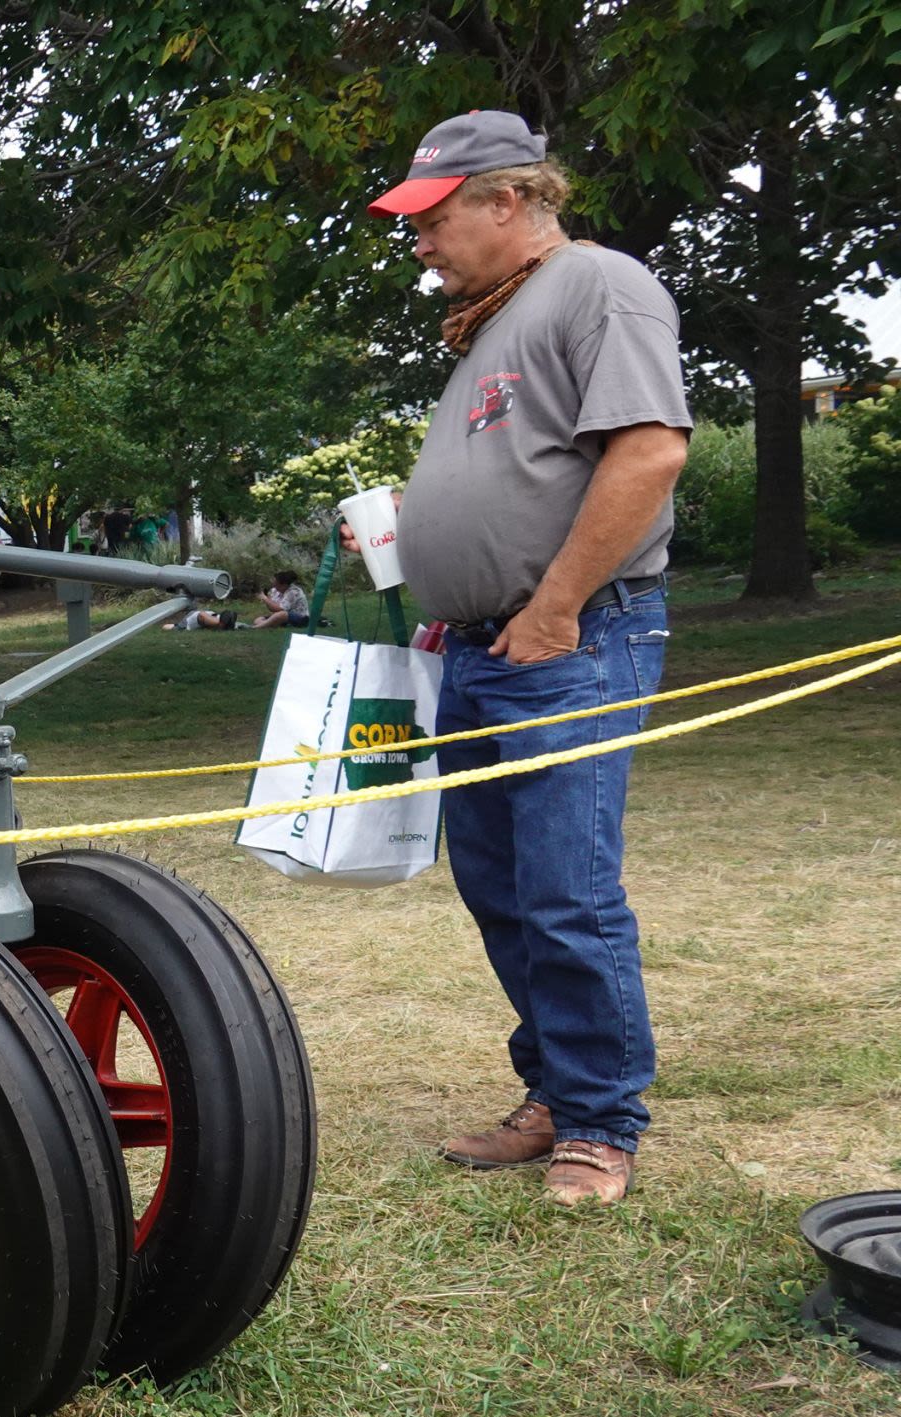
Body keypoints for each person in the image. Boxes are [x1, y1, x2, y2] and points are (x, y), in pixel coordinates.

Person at [353, 110, 689, 1206]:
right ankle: (553, 1090)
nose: (418, 245)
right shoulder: (492, 318)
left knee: (564, 888)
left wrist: (550, 610)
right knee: (500, 887)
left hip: (570, 642)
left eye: (434, 220)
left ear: (509, 199)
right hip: (482, 649)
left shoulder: (599, 284)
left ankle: (599, 1122)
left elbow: (648, 452)